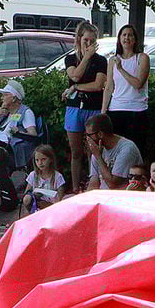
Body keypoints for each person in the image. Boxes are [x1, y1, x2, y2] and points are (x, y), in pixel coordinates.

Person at [63, 21, 107, 191]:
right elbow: (74, 75)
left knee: (93, 149)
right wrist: (86, 58)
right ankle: (75, 187)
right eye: (85, 40)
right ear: (79, 40)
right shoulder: (70, 59)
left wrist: (76, 87)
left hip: (93, 107)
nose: (88, 44)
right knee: (76, 151)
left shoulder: (101, 60)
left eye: (92, 41)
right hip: (75, 108)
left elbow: (98, 85)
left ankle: (93, 184)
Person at [102, 24, 150, 157]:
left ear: (135, 39)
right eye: (124, 35)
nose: (126, 38)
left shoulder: (142, 58)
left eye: (130, 35)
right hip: (116, 109)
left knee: (135, 149)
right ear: (119, 38)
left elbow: (138, 84)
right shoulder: (113, 60)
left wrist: (121, 69)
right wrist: (103, 111)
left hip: (136, 110)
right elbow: (109, 87)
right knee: (116, 150)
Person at [84, 113, 144, 190]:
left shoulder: (126, 149)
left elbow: (112, 184)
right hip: (103, 194)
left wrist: (99, 157)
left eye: (89, 135)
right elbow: (94, 182)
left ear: (100, 134)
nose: (87, 139)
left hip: (121, 194)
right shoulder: (98, 149)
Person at [0, 79, 37, 171]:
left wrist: (18, 133)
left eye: (5, 95)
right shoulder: (6, 114)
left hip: (8, 150)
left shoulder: (26, 112)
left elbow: (33, 135)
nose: (2, 98)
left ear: (14, 98)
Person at [21, 144, 66, 215]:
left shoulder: (58, 177)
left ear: (50, 159)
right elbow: (26, 194)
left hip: (53, 208)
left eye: (43, 159)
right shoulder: (33, 175)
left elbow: (60, 199)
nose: (40, 163)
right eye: (37, 160)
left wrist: (48, 205)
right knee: (27, 198)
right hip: (36, 207)